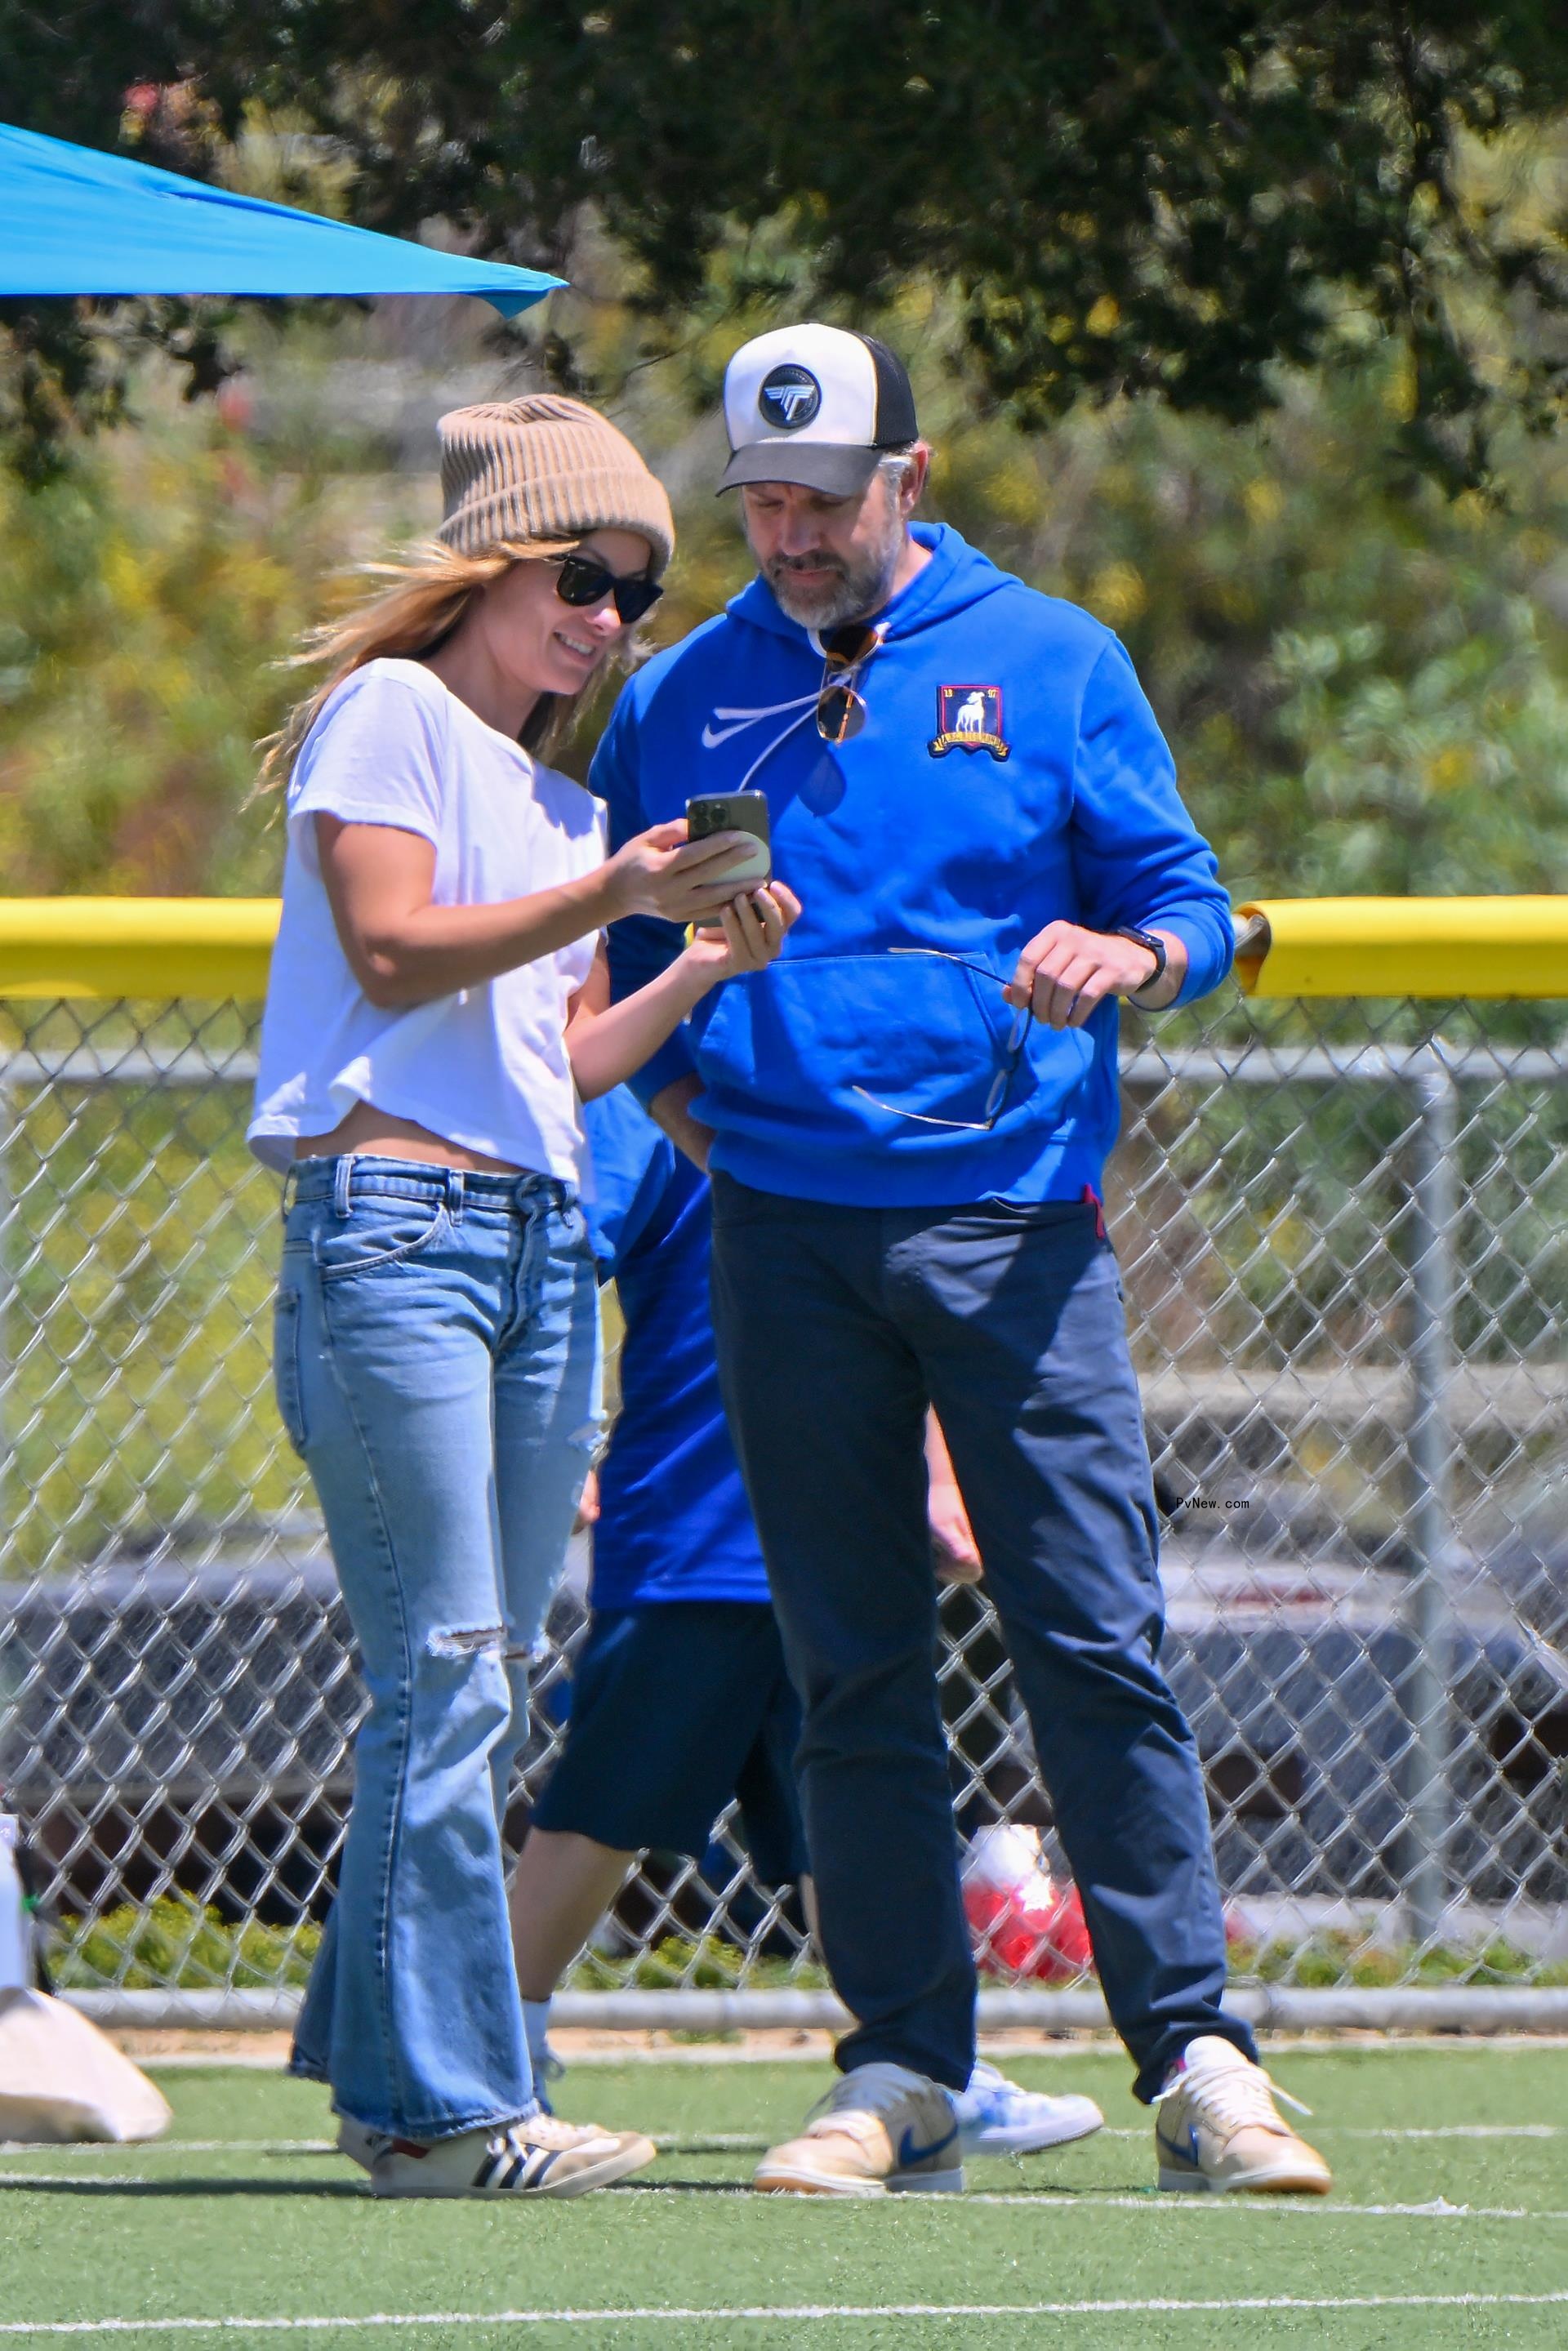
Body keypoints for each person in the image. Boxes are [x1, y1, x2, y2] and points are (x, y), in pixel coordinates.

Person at [593, 324, 1331, 2198]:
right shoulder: (680, 695)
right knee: (849, 1667)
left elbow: (1186, 905)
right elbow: (632, 978)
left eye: (824, 502)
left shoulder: (1056, 660)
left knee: (1094, 1635)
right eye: (759, 503)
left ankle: (1202, 2059)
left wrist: (1135, 963)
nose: (790, 536)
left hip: (1013, 1236)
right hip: (783, 1241)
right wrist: (731, 1127)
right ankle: (907, 2064)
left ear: (906, 481)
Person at [248, 394, 799, 2200]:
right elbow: (397, 950)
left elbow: (560, 1053)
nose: (606, 617)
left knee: (463, 1671)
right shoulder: (392, 713)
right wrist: (608, 886)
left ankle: (377, 2053)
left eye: (635, 590)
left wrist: (694, 963)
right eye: (580, 573)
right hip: (396, 1230)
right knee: (450, 1675)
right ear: (491, 566)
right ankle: (444, 2110)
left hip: (531, 1246)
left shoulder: (552, 789)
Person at [509, 1084, 1105, 2164]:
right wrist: (562, 1443)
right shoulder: (650, 1090)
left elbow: (901, 1307)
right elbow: (552, 1273)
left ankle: (922, 2058)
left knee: (865, 1806)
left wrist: (931, 1473)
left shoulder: (846, 1091)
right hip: (700, 1533)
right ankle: (493, 2048)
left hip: (831, 1517)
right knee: (605, 1804)